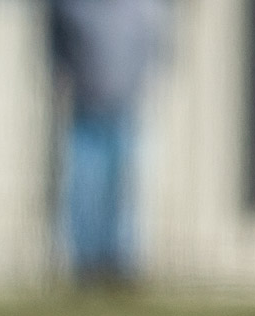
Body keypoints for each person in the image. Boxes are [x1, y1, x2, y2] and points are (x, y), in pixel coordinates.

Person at [51, 0, 170, 284]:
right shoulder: (74, 7)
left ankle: (120, 261)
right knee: (86, 187)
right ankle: (87, 263)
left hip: (124, 107)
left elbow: (155, 45)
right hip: (85, 105)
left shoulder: (142, 8)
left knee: (123, 187)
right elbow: (58, 42)